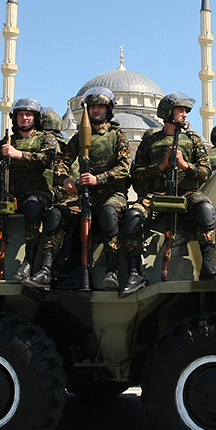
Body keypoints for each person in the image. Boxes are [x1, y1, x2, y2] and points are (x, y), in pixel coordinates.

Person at [27, 87, 131, 289]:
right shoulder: (78, 138)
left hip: (111, 194)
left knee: (109, 214)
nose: (96, 110)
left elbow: (124, 168)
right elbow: (61, 163)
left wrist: (97, 179)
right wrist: (66, 180)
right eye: (92, 107)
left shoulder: (117, 136)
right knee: (56, 214)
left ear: (108, 109)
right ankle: (46, 270)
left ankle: (112, 270)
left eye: (100, 106)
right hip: (83, 196)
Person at [122, 91, 216, 298]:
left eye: (186, 111)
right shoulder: (151, 140)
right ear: (168, 113)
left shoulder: (193, 139)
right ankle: (135, 273)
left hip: (187, 193)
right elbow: (137, 174)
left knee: (206, 210)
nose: (184, 115)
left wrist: (184, 164)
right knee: (132, 216)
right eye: (180, 110)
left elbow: (205, 173)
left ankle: (208, 266)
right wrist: (161, 166)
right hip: (156, 194)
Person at [0, 98, 58, 282]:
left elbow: (47, 158)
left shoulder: (45, 139)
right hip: (12, 195)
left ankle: (28, 261)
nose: (24, 118)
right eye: (21, 115)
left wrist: (19, 154)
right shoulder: (7, 141)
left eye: (28, 115)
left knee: (32, 207)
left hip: (39, 193)